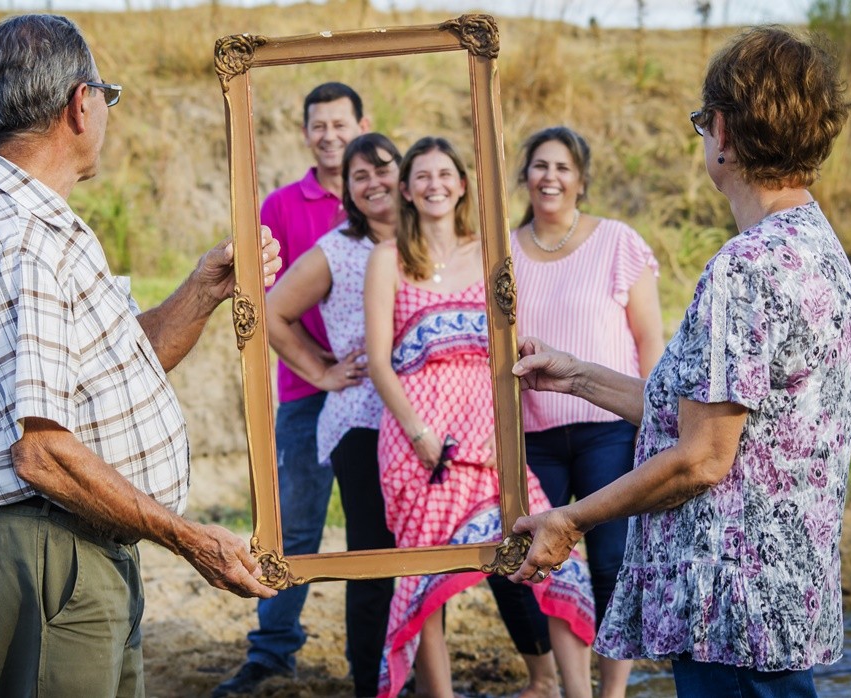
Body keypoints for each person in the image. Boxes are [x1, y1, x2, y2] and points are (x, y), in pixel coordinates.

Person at [0, 14, 281, 698]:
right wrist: (191, 540)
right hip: (50, 547)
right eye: (105, 98)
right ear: (81, 104)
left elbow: (105, 372)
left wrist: (202, 292)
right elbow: (42, 453)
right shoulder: (21, 240)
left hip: (72, 543)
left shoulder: (28, 219)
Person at [509, 26, 851, 698]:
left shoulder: (746, 268)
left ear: (723, 132)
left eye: (703, 123)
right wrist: (577, 373)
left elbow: (703, 457)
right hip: (782, 603)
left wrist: (571, 519)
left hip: (731, 613)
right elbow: (721, 422)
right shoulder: (820, 250)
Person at [365, 137, 596, 698]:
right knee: (426, 579)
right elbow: (378, 362)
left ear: (463, 185)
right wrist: (420, 435)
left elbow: (510, 352)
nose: (434, 184)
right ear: (406, 190)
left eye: (445, 174)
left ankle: (578, 692)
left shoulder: (492, 254)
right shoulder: (388, 258)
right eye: (422, 176)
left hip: (490, 440)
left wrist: (505, 431)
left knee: (555, 557)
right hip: (422, 447)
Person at [214, 81, 371, 696]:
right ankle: (273, 651)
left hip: (378, 393)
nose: (330, 135)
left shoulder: (385, 195)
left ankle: (386, 656)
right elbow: (260, 304)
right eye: (319, 126)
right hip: (307, 389)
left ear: (363, 123)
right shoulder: (279, 205)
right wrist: (319, 371)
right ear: (305, 133)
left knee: (379, 533)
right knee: (294, 527)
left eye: (341, 123)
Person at [511, 126, 665, 698]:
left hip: (608, 427)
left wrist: (651, 419)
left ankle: (613, 691)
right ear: (525, 176)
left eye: (563, 167)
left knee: (611, 562)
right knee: (550, 563)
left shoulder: (617, 241)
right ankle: (574, 691)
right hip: (535, 431)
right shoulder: (501, 252)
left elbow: (649, 338)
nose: (550, 177)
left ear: (580, 179)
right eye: (540, 166)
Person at [264, 133, 401, 697]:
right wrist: (320, 373)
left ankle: (415, 672)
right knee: (373, 552)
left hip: (424, 416)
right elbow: (271, 311)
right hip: (362, 418)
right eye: (358, 176)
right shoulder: (338, 249)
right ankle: (370, 682)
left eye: (382, 170)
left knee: (421, 551)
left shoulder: (433, 241)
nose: (373, 183)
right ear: (345, 190)